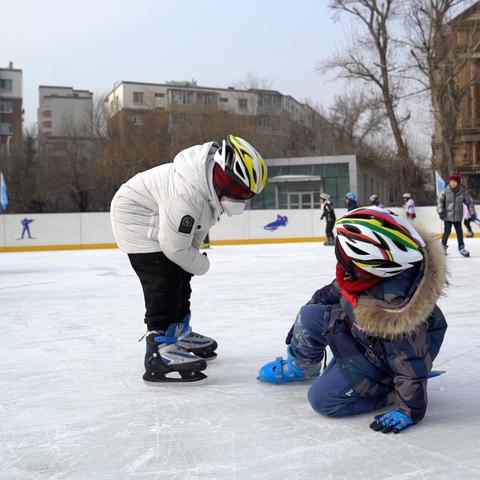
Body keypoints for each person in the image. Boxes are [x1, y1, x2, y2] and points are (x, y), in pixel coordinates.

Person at [258, 206, 447, 434]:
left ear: (367, 260)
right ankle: (303, 366)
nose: (340, 260)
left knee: (322, 399)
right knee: (310, 315)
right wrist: (302, 326)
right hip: (363, 336)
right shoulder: (366, 275)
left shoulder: (394, 313)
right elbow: (332, 292)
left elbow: (410, 364)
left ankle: (386, 392)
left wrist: (409, 409)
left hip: (381, 362)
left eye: (345, 255)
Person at [111, 134, 267, 384]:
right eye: (240, 190)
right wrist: (202, 264)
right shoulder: (188, 195)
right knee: (163, 281)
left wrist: (192, 260)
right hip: (138, 220)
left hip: (160, 219)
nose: (242, 198)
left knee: (181, 275)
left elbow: (195, 231)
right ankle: (160, 350)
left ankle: (179, 333)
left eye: (248, 194)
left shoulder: (206, 188)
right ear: (223, 178)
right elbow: (174, 248)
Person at [437, 173, 474, 257]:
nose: (453, 183)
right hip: (447, 216)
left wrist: (472, 212)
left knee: (459, 232)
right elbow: (440, 202)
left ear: (458, 182)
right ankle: (443, 248)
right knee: (447, 232)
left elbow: (469, 202)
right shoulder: (445, 191)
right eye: (451, 181)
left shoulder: (462, 191)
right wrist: (441, 212)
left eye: (455, 181)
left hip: (458, 217)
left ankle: (461, 248)